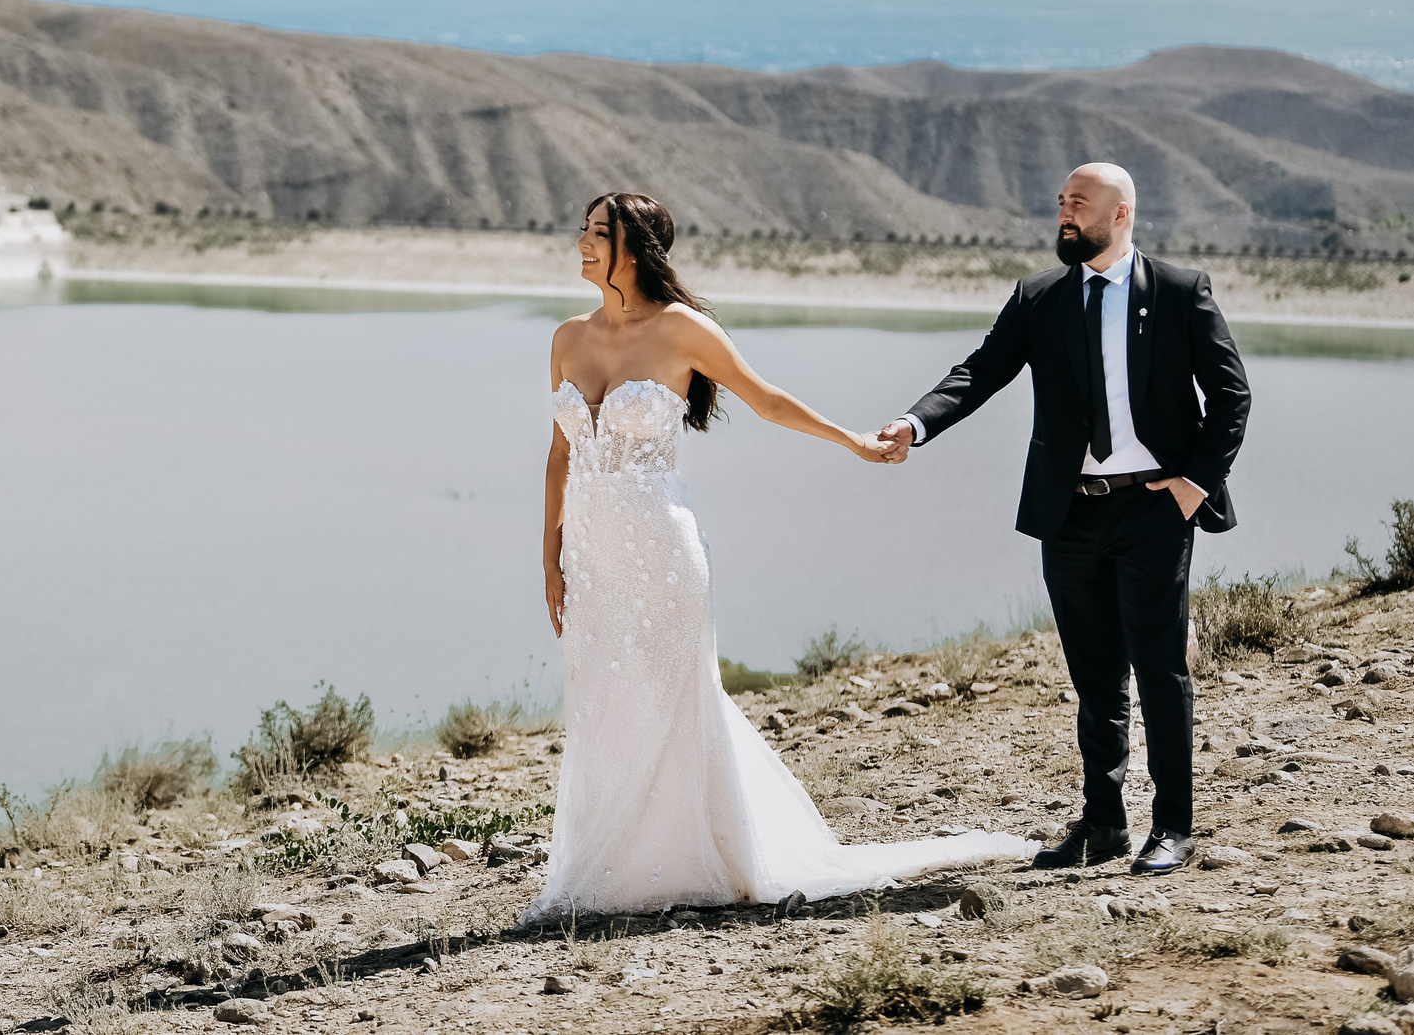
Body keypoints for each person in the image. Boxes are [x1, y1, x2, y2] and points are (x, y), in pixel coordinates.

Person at [524, 191, 1028, 922]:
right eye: (583, 229)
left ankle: (701, 859)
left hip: (662, 549)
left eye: (599, 233)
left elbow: (767, 399)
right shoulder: (567, 337)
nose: (583, 242)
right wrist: (549, 558)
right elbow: (559, 454)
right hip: (593, 555)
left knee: (675, 697)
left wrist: (854, 439)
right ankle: (614, 866)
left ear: (635, 248)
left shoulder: (683, 329)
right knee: (605, 702)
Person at [877, 163, 1249, 876]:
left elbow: (1232, 395)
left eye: (1079, 203)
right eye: (1060, 203)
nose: (1065, 214)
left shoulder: (1177, 291)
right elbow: (980, 371)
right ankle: (1103, 822)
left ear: (1122, 213)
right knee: (1094, 676)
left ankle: (1173, 824)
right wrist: (913, 423)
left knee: (1160, 669)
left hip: (1153, 507)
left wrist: (1194, 483)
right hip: (1070, 512)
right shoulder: (1038, 297)